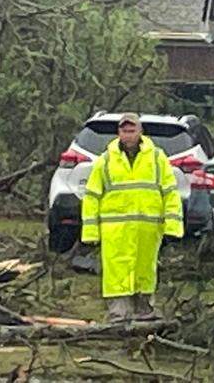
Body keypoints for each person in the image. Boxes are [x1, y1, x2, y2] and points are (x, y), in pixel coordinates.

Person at [80, 113, 183, 322]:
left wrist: (172, 226)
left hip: (148, 229)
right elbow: (92, 196)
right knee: (117, 271)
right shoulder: (106, 160)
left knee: (145, 270)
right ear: (118, 133)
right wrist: (90, 232)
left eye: (132, 130)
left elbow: (170, 192)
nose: (128, 135)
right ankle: (119, 314)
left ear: (140, 132)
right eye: (124, 131)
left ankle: (144, 312)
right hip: (115, 232)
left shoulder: (157, 158)